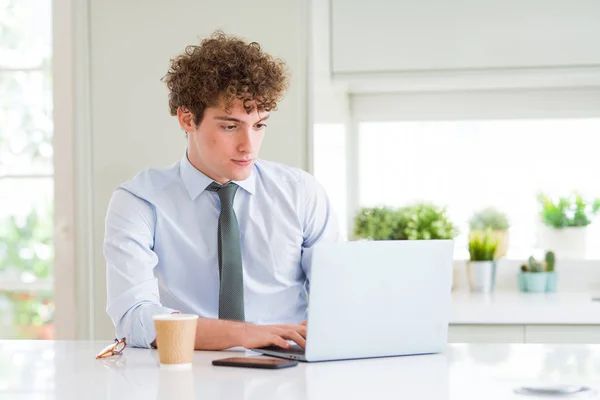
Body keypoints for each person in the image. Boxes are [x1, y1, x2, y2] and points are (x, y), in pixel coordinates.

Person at [104, 31, 341, 350]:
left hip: (290, 369)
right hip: (187, 371)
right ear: (187, 118)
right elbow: (135, 319)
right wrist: (247, 334)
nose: (248, 146)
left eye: (259, 125)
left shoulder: (301, 193)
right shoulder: (139, 200)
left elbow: (340, 302)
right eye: (230, 126)